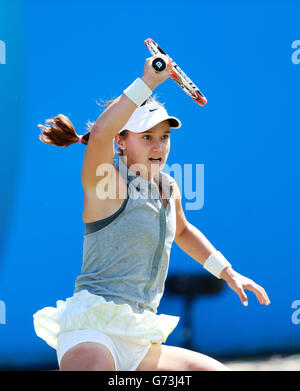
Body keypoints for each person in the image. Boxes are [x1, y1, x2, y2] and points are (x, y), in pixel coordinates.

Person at [33, 54, 270, 371]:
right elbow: (101, 131)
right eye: (147, 137)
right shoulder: (108, 183)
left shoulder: (168, 188)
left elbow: (183, 231)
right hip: (92, 333)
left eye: (164, 137)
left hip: (139, 337)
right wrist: (147, 82)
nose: (158, 146)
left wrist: (227, 271)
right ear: (121, 141)